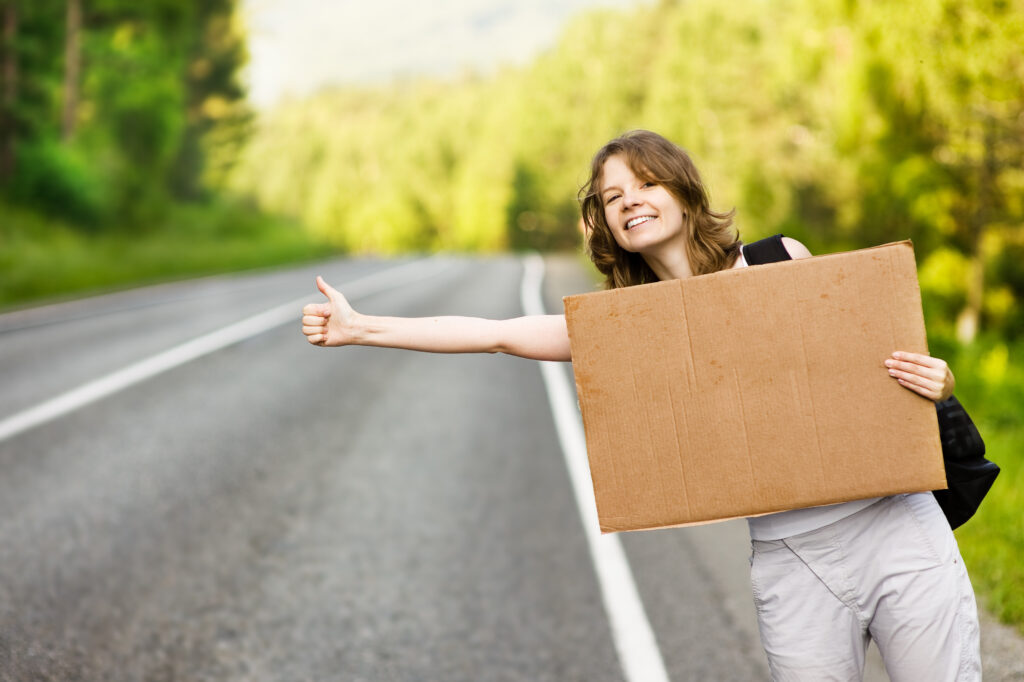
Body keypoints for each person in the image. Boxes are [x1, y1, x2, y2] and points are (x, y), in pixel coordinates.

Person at [300, 130, 981, 681]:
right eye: (612, 197)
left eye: (645, 183)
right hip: (790, 559)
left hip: (895, 529)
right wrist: (363, 328)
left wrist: (937, 382)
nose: (630, 202)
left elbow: (873, 361)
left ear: (683, 192)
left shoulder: (779, 261)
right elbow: (496, 335)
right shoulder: (625, 331)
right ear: (605, 223)